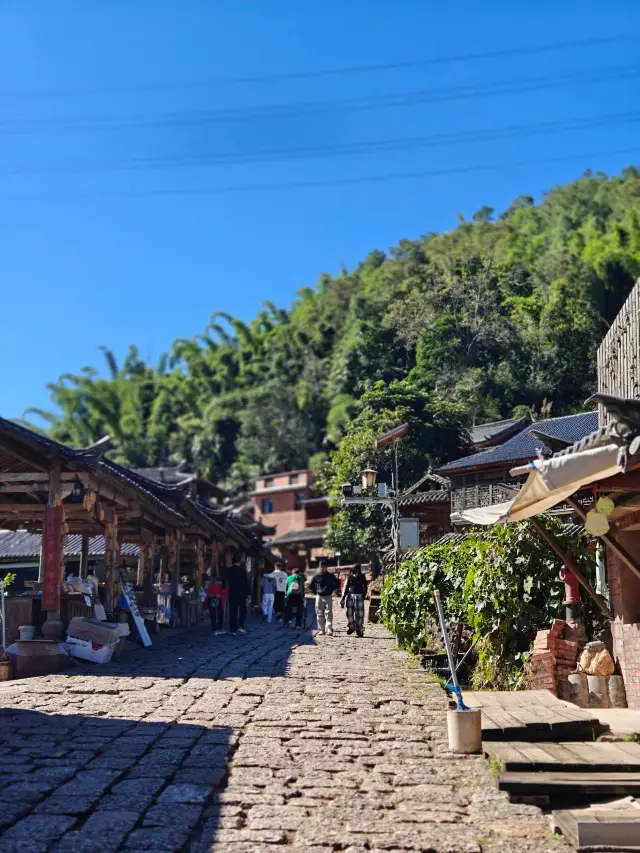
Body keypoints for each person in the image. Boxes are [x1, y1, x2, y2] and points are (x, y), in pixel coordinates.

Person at [309, 560, 339, 636]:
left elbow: (337, 583)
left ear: (326, 567)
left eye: (324, 567)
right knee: (319, 613)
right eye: (321, 567)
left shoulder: (330, 576)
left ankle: (329, 629)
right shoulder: (316, 576)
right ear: (319, 567)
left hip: (328, 596)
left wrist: (332, 590)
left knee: (328, 613)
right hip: (319, 596)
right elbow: (311, 585)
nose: (322, 568)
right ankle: (321, 629)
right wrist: (315, 591)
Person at [340, 564, 368, 637]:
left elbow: (365, 587)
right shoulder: (349, 577)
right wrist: (343, 598)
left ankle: (359, 630)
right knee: (349, 613)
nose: (354, 574)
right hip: (350, 596)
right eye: (353, 572)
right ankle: (351, 627)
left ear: (359, 571)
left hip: (359, 596)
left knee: (359, 615)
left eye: (356, 572)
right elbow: (346, 588)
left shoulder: (362, 577)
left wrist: (363, 596)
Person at [227, 553, 250, 635]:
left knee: (233, 611)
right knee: (242, 610)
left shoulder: (229, 570)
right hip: (241, 593)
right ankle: (241, 626)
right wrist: (248, 593)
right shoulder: (242, 570)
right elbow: (246, 582)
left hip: (232, 593)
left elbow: (226, 581)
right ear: (239, 562)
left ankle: (233, 629)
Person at [284, 567, 306, 631]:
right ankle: (298, 625)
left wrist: (286, 595)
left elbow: (286, 587)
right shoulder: (301, 578)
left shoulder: (289, 578)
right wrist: (303, 597)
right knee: (299, 610)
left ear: (292, 572)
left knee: (288, 608)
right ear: (299, 573)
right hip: (298, 596)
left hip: (290, 595)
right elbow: (303, 589)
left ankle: (288, 620)